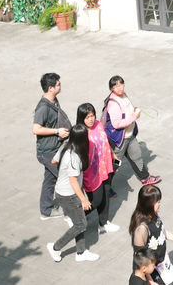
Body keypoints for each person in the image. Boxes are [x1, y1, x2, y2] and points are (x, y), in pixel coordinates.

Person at [46, 124, 98, 263]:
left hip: (65, 191)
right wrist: (84, 200)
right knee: (81, 224)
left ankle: (81, 253)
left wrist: (63, 170)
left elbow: (53, 160)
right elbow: (73, 181)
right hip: (68, 195)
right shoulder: (73, 156)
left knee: (79, 222)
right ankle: (56, 247)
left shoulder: (66, 146)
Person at [130, 184, 173, 282]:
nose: (159, 204)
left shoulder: (153, 214)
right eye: (157, 202)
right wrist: (150, 281)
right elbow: (140, 257)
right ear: (148, 204)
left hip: (160, 263)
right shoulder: (141, 228)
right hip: (150, 269)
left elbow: (161, 232)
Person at [103, 76, 160, 189]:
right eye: (115, 86)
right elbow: (117, 124)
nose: (119, 88)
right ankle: (105, 188)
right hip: (119, 140)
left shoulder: (124, 95)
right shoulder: (113, 104)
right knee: (115, 164)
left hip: (129, 135)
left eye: (121, 84)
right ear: (111, 89)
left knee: (136, 156)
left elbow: (127, 111)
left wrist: (133, 111)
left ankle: (145, 178)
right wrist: (134, 117)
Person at [33, 72, 70, 221]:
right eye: (58, 84)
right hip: (47, 152)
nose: (60, 86)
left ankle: (46, 210)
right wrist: (57, 131)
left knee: (50, 180)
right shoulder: (43, 107)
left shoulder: (54, 100)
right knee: (66, 177)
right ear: (50, 88)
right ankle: (70, 210)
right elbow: (36, 129)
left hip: (55, 148)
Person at [76, 103, 118, 234]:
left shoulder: (99, 124)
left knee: (106, 194)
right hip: (92, 172)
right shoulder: (80, 132)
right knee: (96, 199)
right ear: (81, 118)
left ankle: (103, 223)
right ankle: (76, 217)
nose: (91, 119)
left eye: (92, 115)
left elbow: (105, 140)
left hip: (106, 166)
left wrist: (112, 153)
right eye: (87, 117)